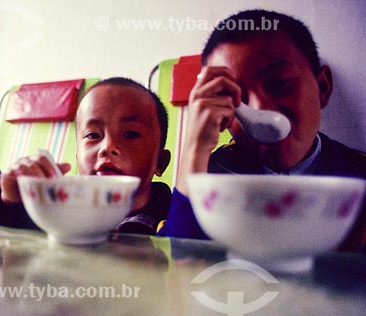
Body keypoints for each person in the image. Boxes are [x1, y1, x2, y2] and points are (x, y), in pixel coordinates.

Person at [157, 9, 366, 253]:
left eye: (280, 84)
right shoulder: (206, 179)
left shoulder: (359, 174)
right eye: (235, 96)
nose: (261, 109)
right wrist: (196, 147)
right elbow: (177, 262)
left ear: (322, 88)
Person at [0, 77, 172, 234]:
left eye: (130, 134)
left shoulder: (178, 218)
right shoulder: (56, 207)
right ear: (77, 156)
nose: (107, 147)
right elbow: (10, 238)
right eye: (93, 135)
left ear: (160, 162)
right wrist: (11, 198)